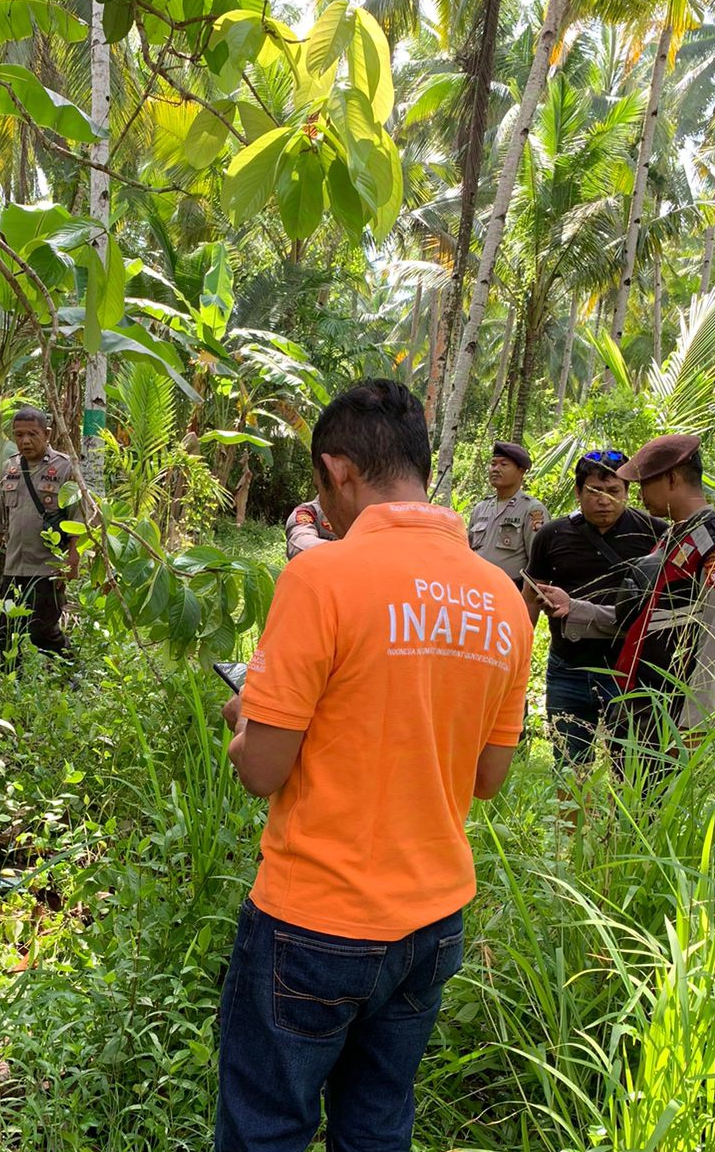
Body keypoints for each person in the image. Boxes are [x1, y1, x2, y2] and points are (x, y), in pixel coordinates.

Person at [216, 379, 533, 1152]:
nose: (323, 509)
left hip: (313, 921)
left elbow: (261, 768)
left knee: (267, 1127)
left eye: (322, 489)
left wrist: (245, 717)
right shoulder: (500, 598)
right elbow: (488, 778)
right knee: (377, 1123)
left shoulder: (321, 577)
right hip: (430, 924)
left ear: (340, 469)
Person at [538, 436, 715, 762]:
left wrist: (692, 726)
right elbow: (644, 617)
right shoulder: (673, 537)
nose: (640, 494)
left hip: (672, 717)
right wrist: (575, 609)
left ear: (672, 479)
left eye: (645, 483)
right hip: (640, 709)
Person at [523, 451, 665, 767]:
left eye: (614, 492)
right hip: (568, 668)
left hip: (630, 672)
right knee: (570, 768)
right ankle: (571, 818)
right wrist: (519, 653)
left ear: (628, 492)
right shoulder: (552, 535)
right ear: (578, 492)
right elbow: (530, 598)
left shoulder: (654, 533)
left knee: (631, 769)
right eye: (594, 492)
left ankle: (620, 818)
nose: (604, 501)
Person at [0, 407, 79, 661]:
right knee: (6, 633)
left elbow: (78, 518)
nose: (25, 441)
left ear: (47, 433)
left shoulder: (63, 468)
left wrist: (72, 560)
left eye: (32, 434)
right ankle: (11, 686)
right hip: (13, 567)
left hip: (47, 569)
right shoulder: (9, 468)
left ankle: (71, 674)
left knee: (43, 632)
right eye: (19, 435)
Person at [467, 441, 548, 584]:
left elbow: (538, 564)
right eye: (493, 464)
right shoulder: (481, 508)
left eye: (504, 465)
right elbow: (468, 550)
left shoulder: (531, 509)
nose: (496, 469)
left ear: (521, 471)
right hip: (476, 587)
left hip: (511, 588)